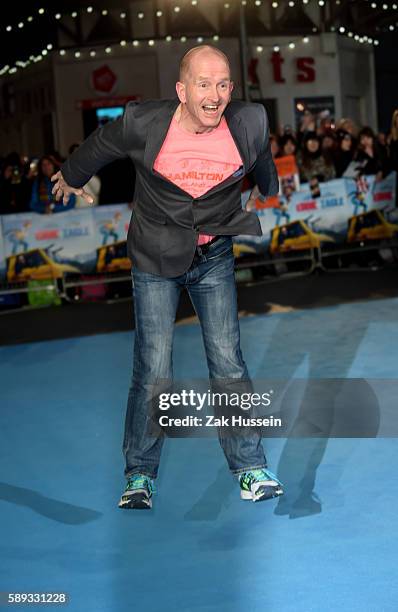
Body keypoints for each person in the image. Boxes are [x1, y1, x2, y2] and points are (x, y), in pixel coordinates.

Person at [51, 45, 284, 510]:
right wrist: (71, 176)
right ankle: (140, 474)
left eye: (222, 84)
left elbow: (259, 160)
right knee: (154, 369)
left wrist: (267, 187)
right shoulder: (144, 122)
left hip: (213, 253)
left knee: (228, 363)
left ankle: (249, 467)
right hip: (155, 257)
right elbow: (101, 143)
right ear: (182, 90)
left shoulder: (249, 121)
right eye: (203, 84)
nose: (214, 95)